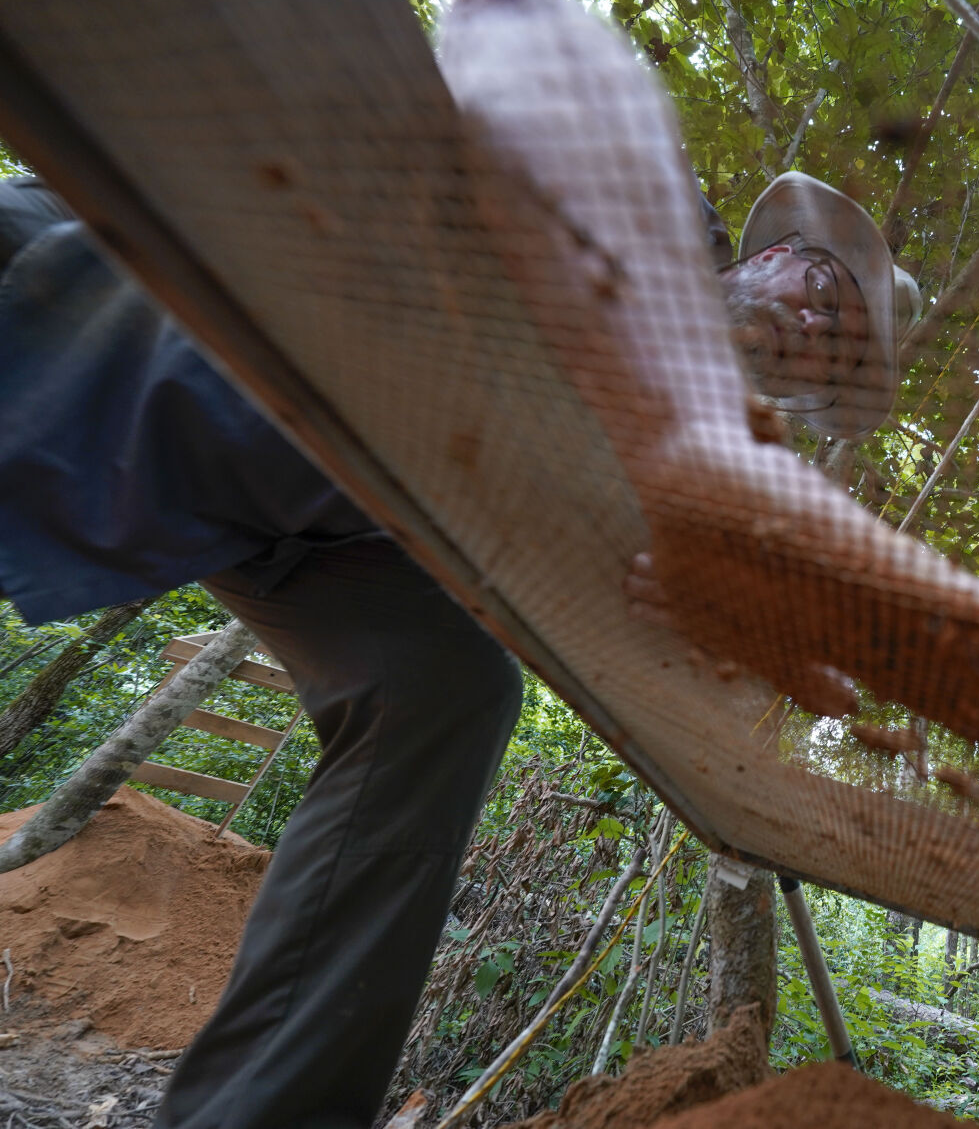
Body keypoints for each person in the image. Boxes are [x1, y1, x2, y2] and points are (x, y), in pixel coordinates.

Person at [0, 166, 915, 1129]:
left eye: (835, 353)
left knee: (447, 686)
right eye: (821, 297)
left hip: (301, 518)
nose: (813, 333)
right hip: (187, 301)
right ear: (772, 257)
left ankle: (264, 1114)